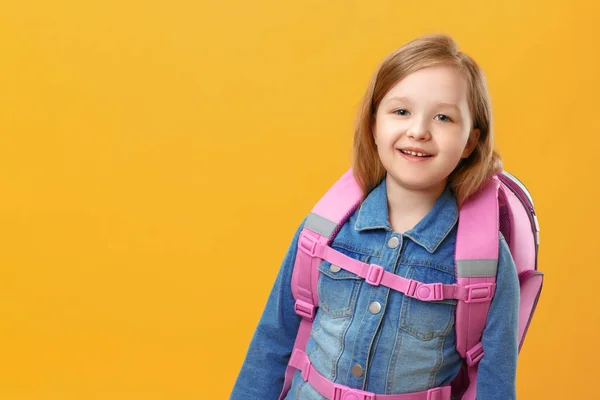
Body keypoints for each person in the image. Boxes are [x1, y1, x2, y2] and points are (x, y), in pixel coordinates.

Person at [230, 33, 519, 400]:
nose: (418, 131)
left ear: (470, 142)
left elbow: (495, 383)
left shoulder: (485, 261)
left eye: (443, 117)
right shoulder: (323, 232)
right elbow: (272, 343)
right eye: (401, 111)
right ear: (373, 126)